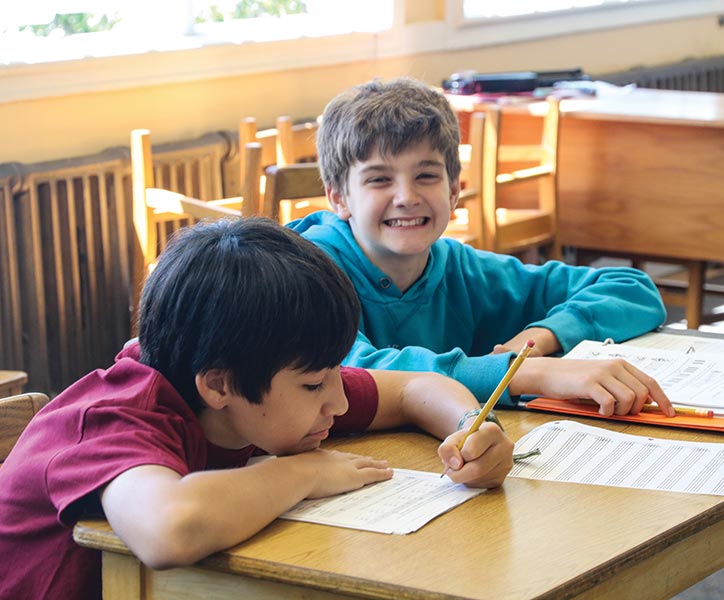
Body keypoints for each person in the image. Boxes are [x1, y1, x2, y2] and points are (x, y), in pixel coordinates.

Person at [0, 217, 513, 600]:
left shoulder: (252, 380)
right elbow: (169, 530)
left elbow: (414, 388)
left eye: (336, 372)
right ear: (219, 386)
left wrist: (473, 427)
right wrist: (305, 472)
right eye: (315, 385)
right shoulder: (113, 418)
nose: (337, 400)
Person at [288, 77, 674, 418]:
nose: (406, 196)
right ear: (339, 198)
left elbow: (631, 288)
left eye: (426, 176)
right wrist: (523, 373)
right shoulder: (303, 275)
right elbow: (352, 373)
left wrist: (538, 339)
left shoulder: (460, 267)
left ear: (454, 190)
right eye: (378, 179)